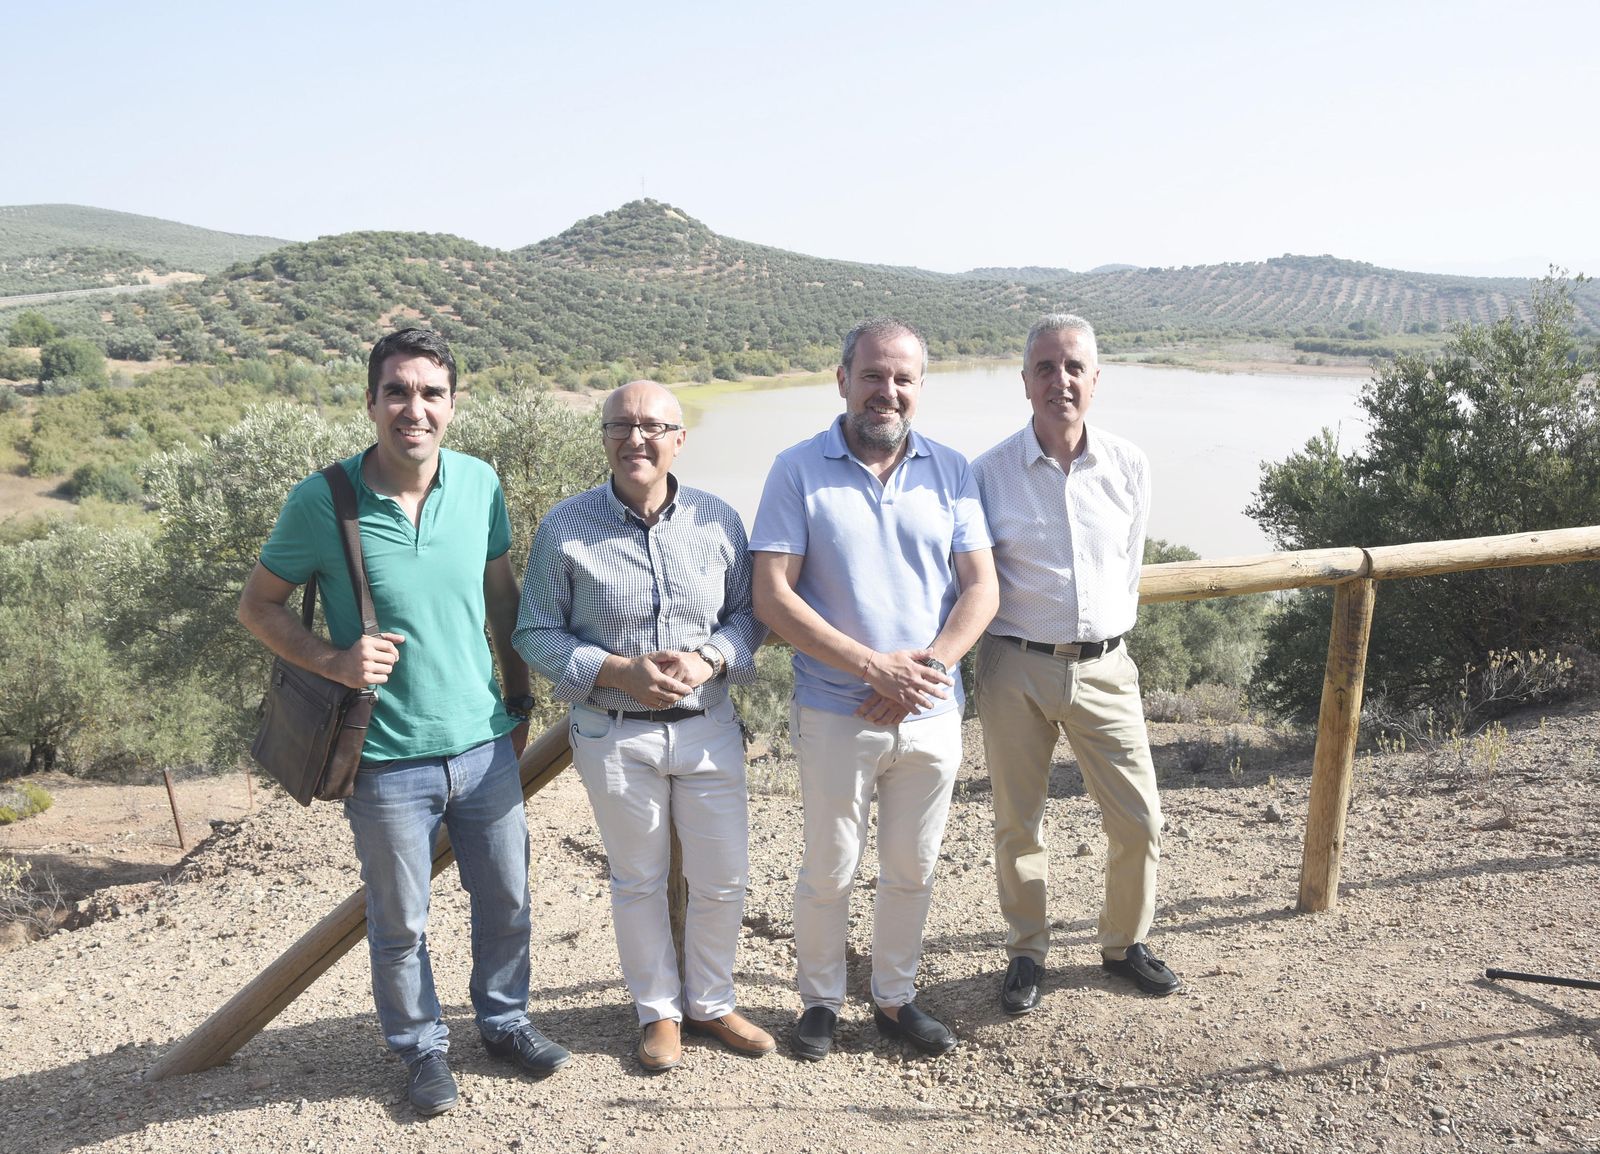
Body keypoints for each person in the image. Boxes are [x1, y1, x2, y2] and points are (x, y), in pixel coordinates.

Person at [237, 328, 568, 1117]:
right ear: (371, 401)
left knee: (509, 902)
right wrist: (333, 661)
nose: (412, 408)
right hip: (385, 759)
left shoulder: (481, 483)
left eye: (430, 393)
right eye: (397, 391)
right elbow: (257, 606)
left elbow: (501, 604)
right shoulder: (326, 500)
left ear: (452, 405)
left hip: (485, 747)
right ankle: (421, 1052)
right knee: (400, 922)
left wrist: (519, 703)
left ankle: (505, 1021)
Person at [750, 318, 997, 1061]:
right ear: (843, 379)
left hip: (931, 711)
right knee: (830, 866)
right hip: (835, 709)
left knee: (913, 866)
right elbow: (772, 596)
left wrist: (927, 671)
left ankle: (894, 998)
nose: (886, 392)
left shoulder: (953, 470)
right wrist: (871, 668)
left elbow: (980, 588)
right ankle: (820, 1001)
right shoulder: (796, 469)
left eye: (902, 379)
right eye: (872, 376)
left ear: (919, 387)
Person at [514, 380, 772, 1072]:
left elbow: (751, 616)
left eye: (654, 427)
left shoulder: (719, 521)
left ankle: (712, 1002)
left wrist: (709, 656)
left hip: (709, 724)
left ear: (679, 439)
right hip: (613, 732)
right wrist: (615, 670)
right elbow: (533, 632)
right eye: (621, 426)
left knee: (723, 879)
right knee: (638, 880)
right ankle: (658, 1012)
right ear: (602, 437)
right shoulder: (564, 527)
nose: (637, 439)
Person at [971, 313, 1180, 1017]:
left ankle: (1125, 944)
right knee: (1017, 821)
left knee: (1139, 819)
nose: (1059, 380)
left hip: (1107, 668)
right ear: (1025, 381)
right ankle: (1027, 951)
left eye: (1073, 368)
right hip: (1014, 668)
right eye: (1044, 367)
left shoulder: (1128, 464)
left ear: (1095, 380)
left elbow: (1128, 565)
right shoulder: (987, 474)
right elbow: (972, 577)